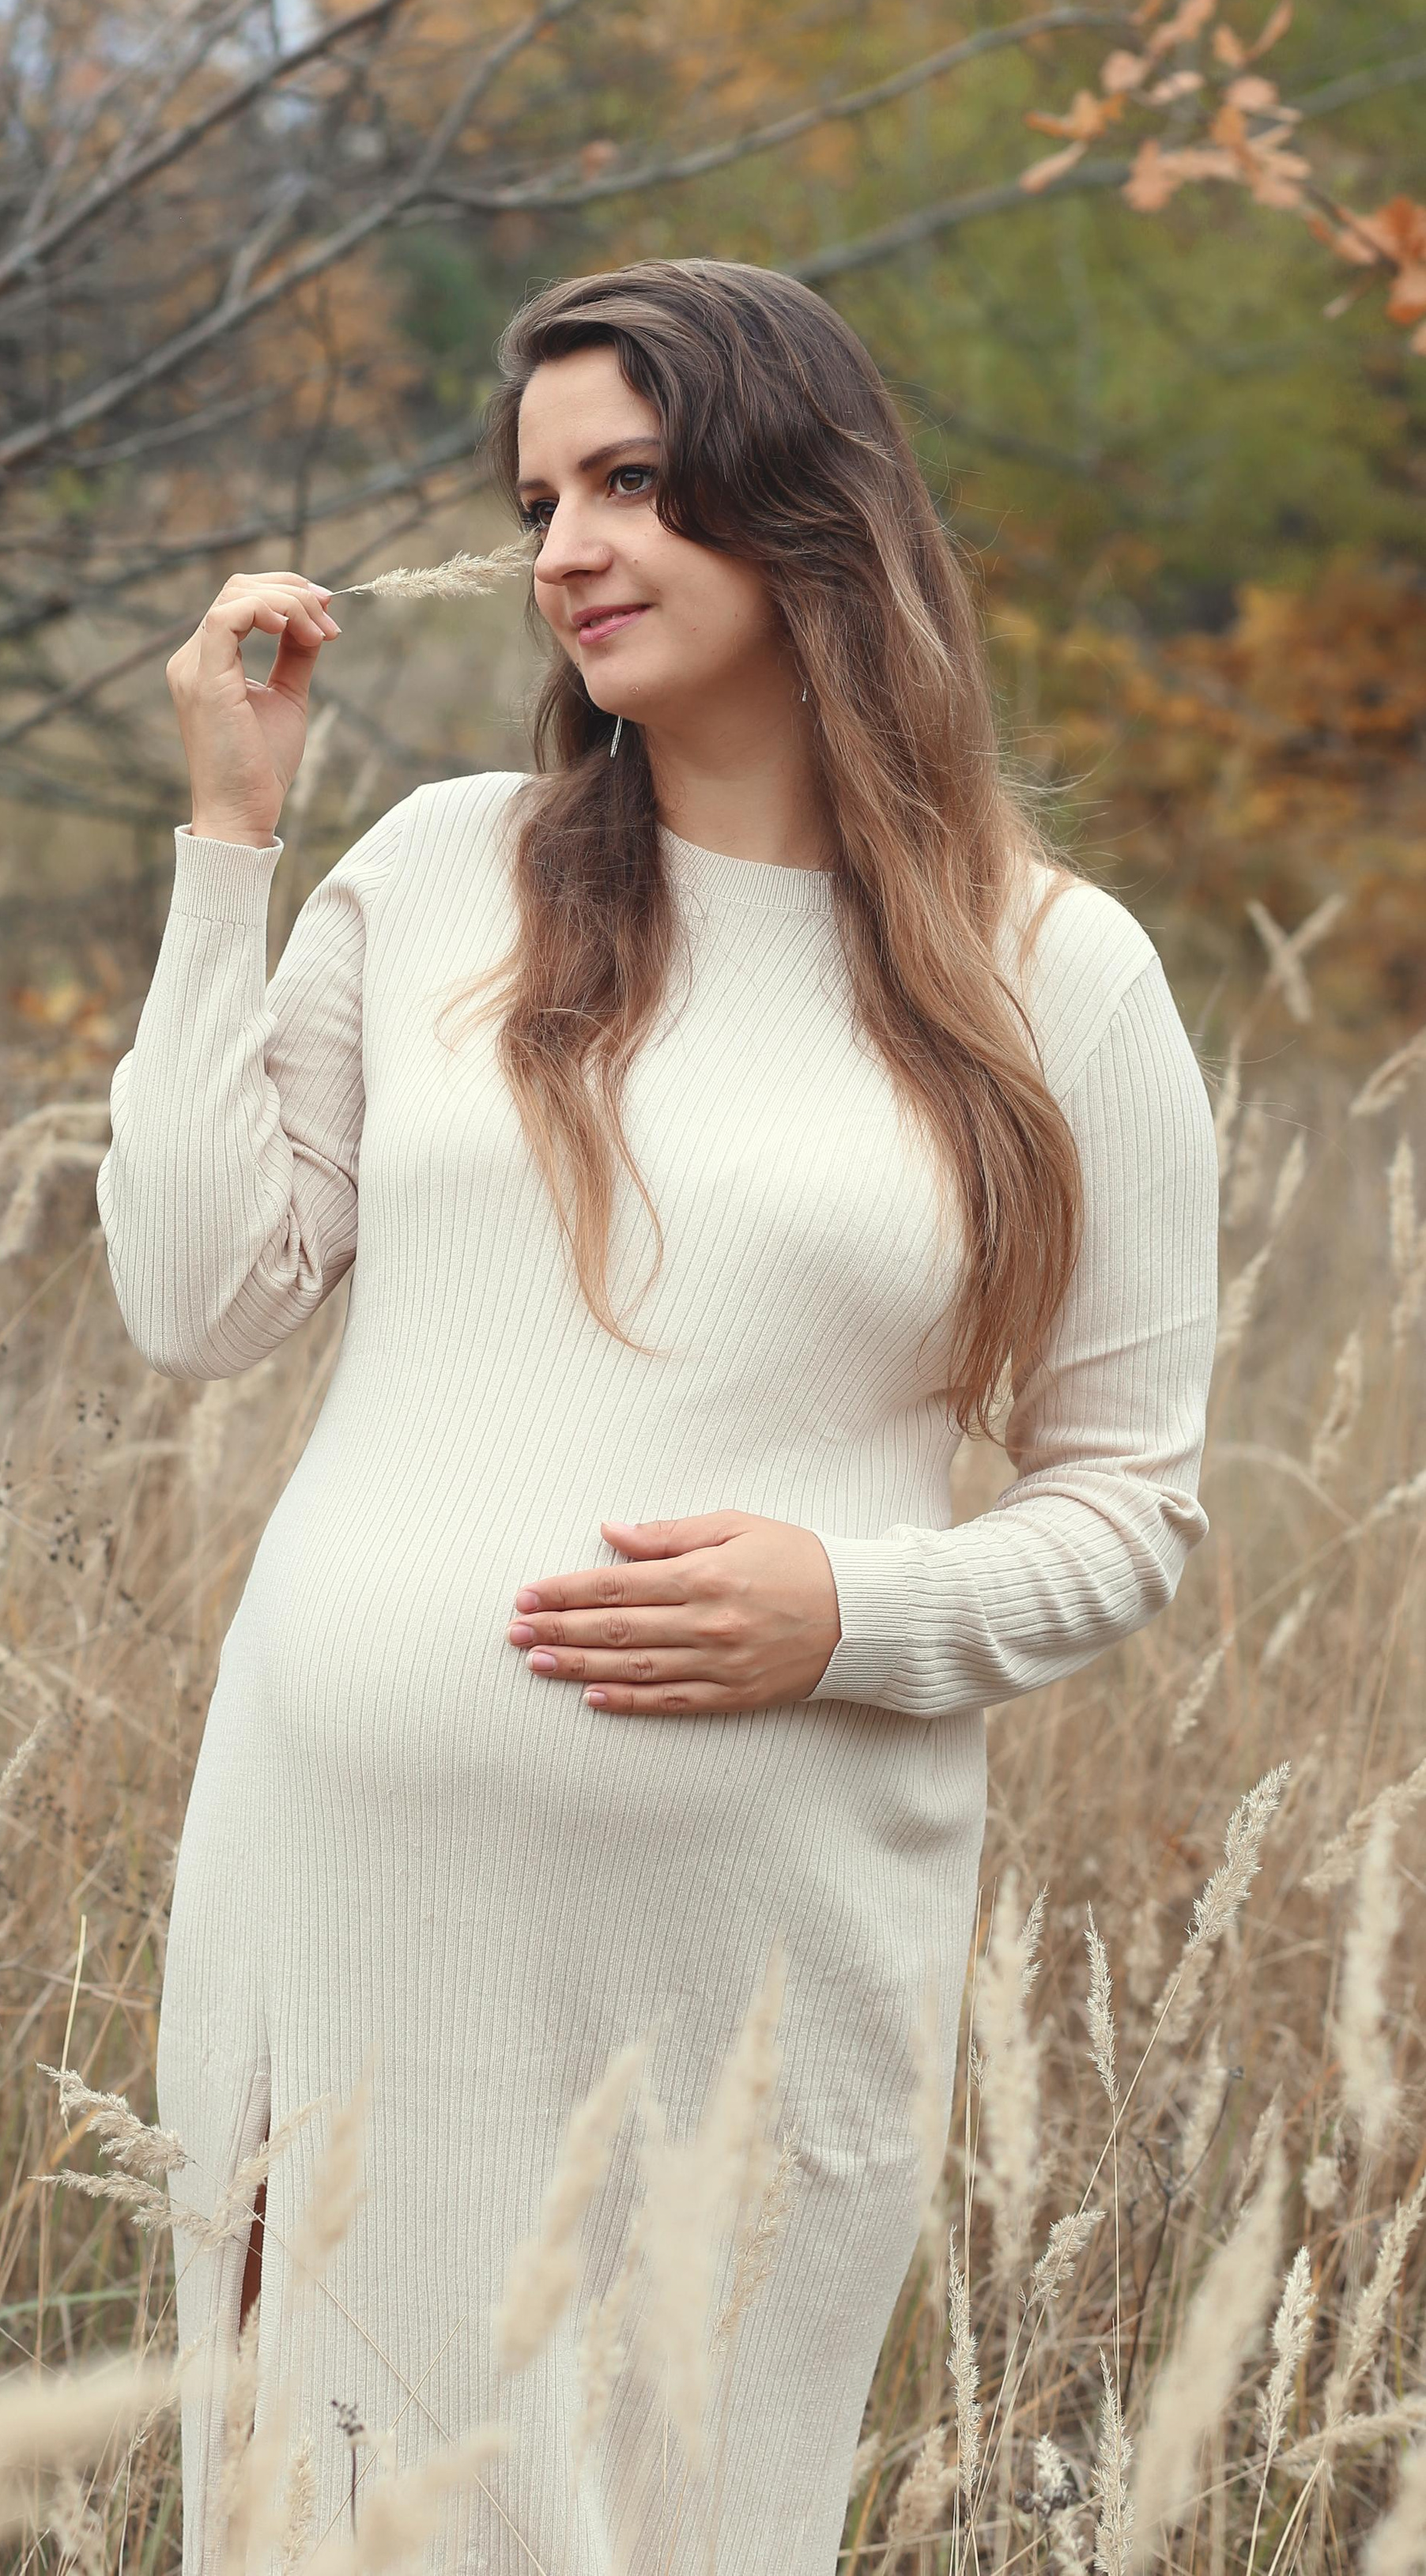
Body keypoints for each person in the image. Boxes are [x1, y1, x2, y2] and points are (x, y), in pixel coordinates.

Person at [95, 258, 1217, 2576]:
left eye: (631, 478)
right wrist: (231, 836)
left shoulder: (1054, 969)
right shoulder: (432, 875)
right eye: (538, 498)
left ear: (801, 499)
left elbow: (1131, 1502)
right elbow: (194, 1297)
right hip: (347, 1897)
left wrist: (852, 1611)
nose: (569, 546)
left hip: (742, 1959)